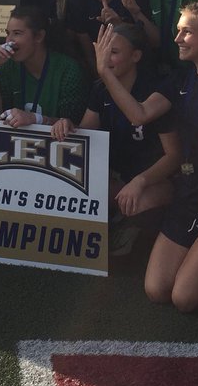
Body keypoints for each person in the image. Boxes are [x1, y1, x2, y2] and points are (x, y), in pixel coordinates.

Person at [91, 3, 198, 310]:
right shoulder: (180, 79)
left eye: (187, 32)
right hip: (188, 191)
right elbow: (139, 114)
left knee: (184, 298)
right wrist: (105, 73)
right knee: (157, 290)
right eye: (178, 30)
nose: (178, 38)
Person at [51, 23, 177, 256]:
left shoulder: (157, 87)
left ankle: (136, 232)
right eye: (103, 50)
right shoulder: (101, 89)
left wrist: (140, 181)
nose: (106, 58)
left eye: (114, 52)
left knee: (135, 205)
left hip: (153, 180)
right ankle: (115, 224)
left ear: (136, 56)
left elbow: (174, 155)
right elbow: (87, 134)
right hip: (115, 177)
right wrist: (65, 124)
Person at [0, 6, 87, 127]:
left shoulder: (68, 69)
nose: (9, 41)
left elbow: (73, 124)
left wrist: (36, 119)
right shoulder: (7, 66)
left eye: (17, 33)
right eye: (8, 34)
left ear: (39, 36)